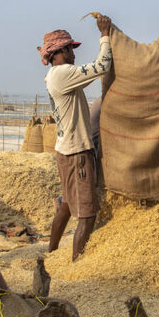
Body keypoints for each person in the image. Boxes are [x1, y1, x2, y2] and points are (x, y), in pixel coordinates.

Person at [39, 14, 113, 261]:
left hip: (65, 150)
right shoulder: (63, 73)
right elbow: (102, 66)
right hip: (77, 153)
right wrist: (104, 35)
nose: (73, 53)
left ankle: (50, 253)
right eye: (70, 49)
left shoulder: (55, 76)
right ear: (60, 51)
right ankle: (77, 264)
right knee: (87, 214)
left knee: (68, 205)